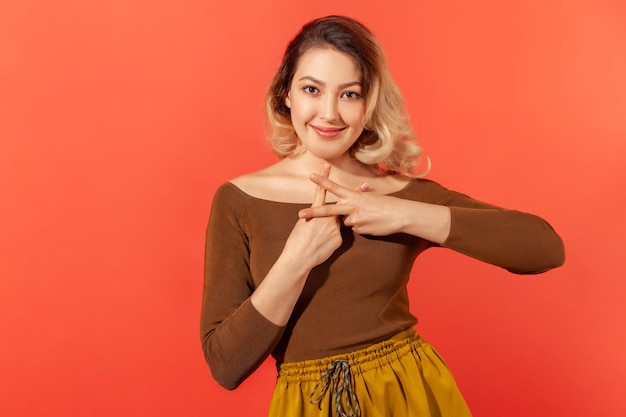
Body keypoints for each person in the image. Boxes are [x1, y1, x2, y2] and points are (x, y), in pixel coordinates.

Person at [200, 15, 565, 417]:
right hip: (307, 405)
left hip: (410, 394)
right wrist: (297, 259)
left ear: (369, 101)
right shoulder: (240, 199)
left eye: (350, 94)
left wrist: (403, 213)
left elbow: (544, 247)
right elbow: (226, 365)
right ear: (286, 94)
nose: (329, 113)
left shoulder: (398, 194)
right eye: (311, 89)